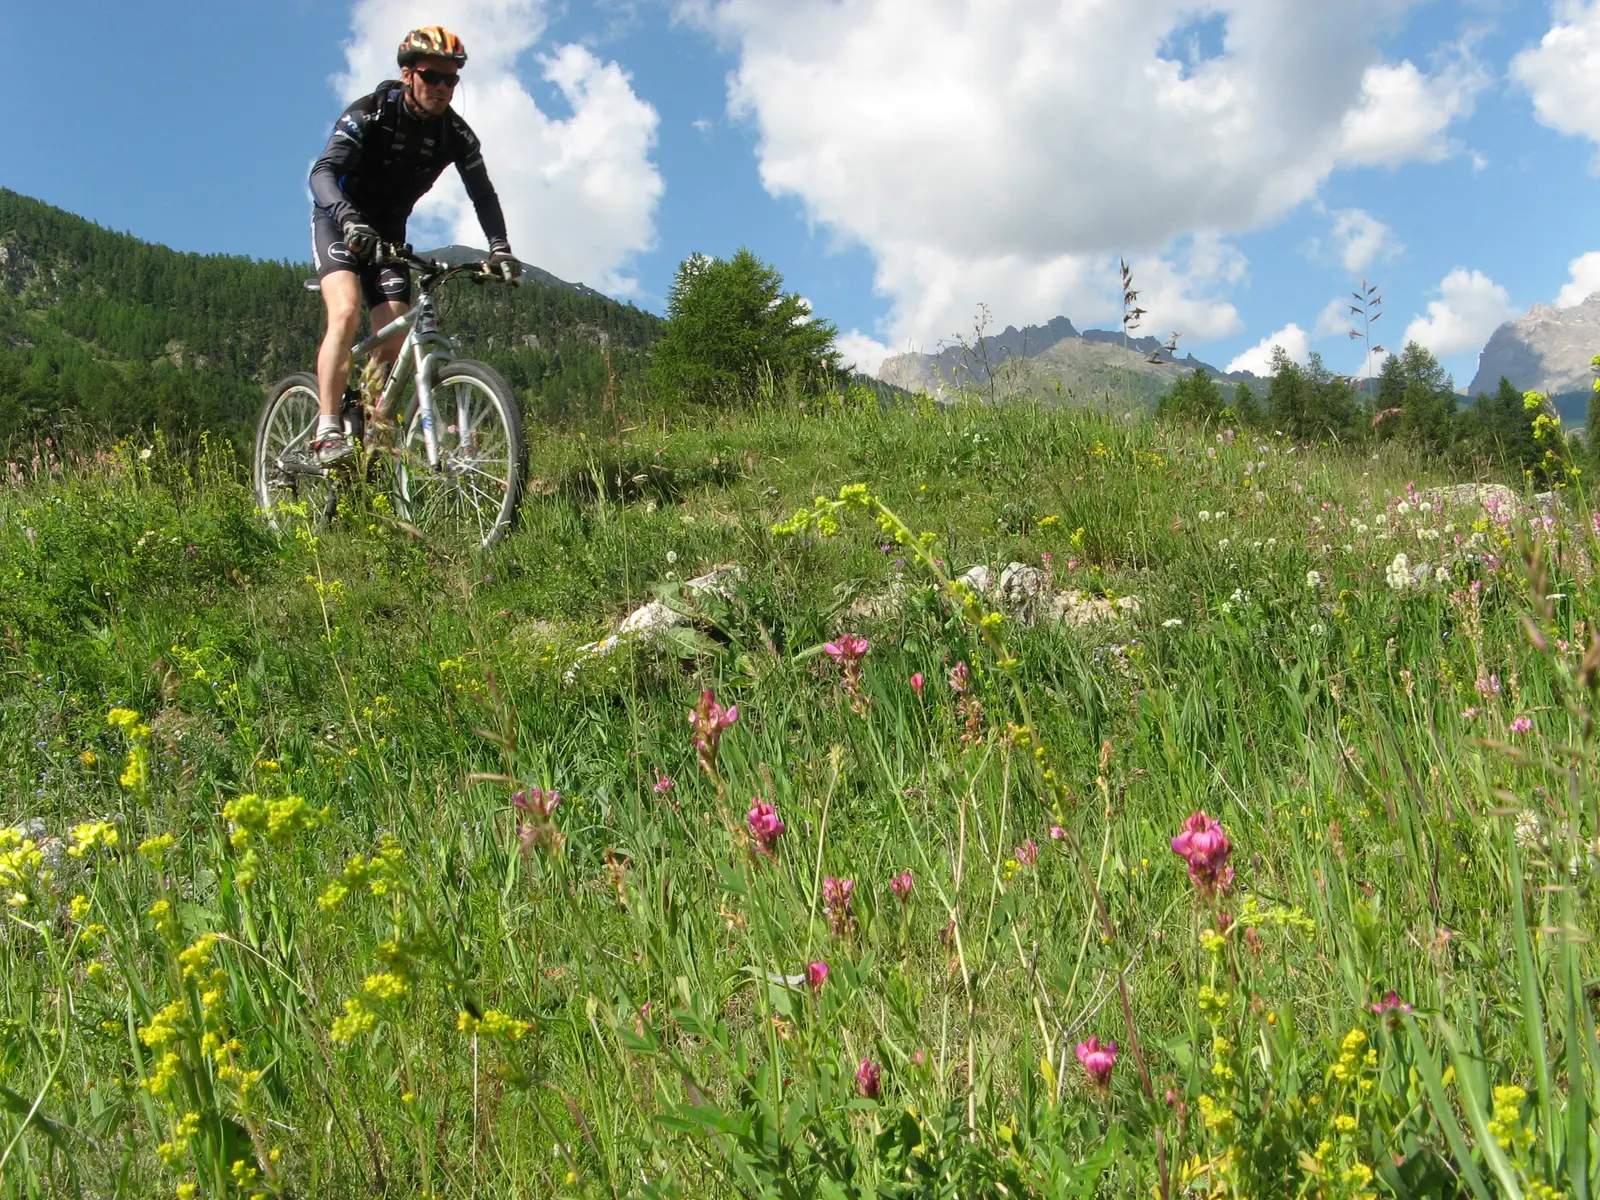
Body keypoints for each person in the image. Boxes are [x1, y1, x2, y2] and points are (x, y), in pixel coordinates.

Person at [307, 25, 521, 465]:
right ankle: (328, 427)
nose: (442, 88)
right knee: (345, 312)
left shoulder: (455, 135)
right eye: (432, 76)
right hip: (339, 222)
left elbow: (483, 194)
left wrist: (499, 248)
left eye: (451, 80)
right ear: (408, 75)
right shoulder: (370, 113)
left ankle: (365, 434)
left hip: (389, 238)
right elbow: (322, 174)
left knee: (394, 338)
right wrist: (348, 220)